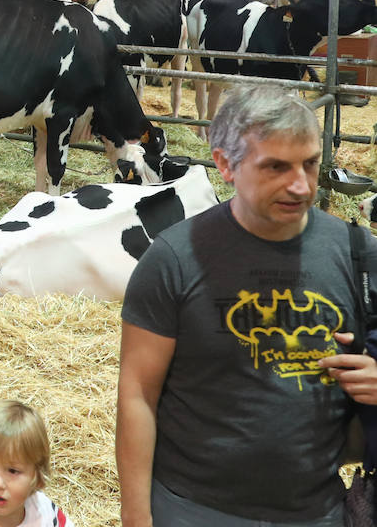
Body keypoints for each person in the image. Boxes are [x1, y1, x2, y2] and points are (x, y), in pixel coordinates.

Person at [117, 84, 377, 527]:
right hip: (193, 509)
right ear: (225, 164)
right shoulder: (174, 260)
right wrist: (137, 516)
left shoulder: (359, 254)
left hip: (319, 509)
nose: (300, 185)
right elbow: (138, 394)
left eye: (310, 164)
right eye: (276, 167)